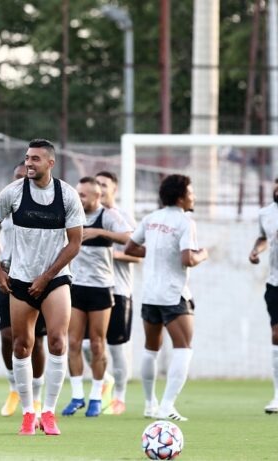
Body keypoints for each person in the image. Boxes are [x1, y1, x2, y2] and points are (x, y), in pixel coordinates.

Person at [0, 139, 85, 436]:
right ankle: (29, 412)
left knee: (57, 342)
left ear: (51, 163)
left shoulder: (67, 195)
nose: (29, 163)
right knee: (22, 345)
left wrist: (47, 276)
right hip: (20, 278)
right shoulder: (13, 192)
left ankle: (49, 412)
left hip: (55, 279)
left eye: (36, 159)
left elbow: (75, 243)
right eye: (27, 158)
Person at [125, 174, 208, 422]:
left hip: (150, 294)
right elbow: (187, 259)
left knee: (151, 348)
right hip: (173, 294)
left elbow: (130, 248)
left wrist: (154, 253)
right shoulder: (185, 222)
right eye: (191, 192)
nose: (194, 196)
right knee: (184, 348)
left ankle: (149, 404)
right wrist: (203, 254)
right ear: (181, 197)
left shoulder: (151, 218)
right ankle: (167, 406)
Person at [62, 177, 131, 417]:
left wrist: (99, 232)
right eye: (77, 193)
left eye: (83, 195)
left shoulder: (108, 216)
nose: (79, 198)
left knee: (97, 343)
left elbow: (128, 237)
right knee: (73, 343)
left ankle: (95, 396)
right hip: (76, 286)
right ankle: (77, 395)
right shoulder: (72, 214)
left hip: (101, 288)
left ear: (97, 196)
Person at [0, 162, 49, 418]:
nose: (21, 180)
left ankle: (36, 396)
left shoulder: (45, 203)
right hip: (9, 276)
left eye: (24, 175)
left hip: (36, 277)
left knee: (36, 340)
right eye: (17, 176)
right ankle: (14, 387)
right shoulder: (5, 203)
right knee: (8, 336)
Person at [95, 170, 140, 415]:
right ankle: (106, 380)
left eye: (104, 184)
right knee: (85, 345)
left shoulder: (124, 218)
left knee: (116, 347)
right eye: (97, 184)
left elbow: (138, 255)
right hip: (91, 289)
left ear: (115, 189)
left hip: (119, 290)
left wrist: (111, 254)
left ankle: (119, 397)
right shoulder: (86, 216)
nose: (100, 188)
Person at [248, 178, 278, 414]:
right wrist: (256, 250)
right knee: (276, 335)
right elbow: (264, 237)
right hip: (275, 282)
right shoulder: (265, 213)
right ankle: (277, 395)